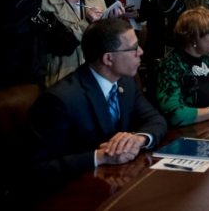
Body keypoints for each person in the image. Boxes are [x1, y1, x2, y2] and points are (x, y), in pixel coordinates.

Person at [26, 19, 166, 187]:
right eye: (134, 48)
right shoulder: (60, 99)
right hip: (76, 191)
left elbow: (156, 120)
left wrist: (138, 139)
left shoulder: (126, 83)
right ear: (108, 58)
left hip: (118, 182)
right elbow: (37, 169)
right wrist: (101, 156)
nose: (141, 52)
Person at [156, 7, 209, 126]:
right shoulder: (171, 65)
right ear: (194, 37)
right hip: (188, 133)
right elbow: (175, 114)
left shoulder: (206, 59)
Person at [41, 0, 125, 87]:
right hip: (63, 78)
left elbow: (105, 43)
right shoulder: (45, 1)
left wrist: (111, 22)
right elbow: (57, 44)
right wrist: (86, 23)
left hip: (96, 76)